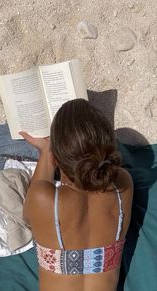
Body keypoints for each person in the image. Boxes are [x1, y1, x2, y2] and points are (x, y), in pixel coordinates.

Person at [19, 99, 133, 291]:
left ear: (56, 158)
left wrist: (46, 150)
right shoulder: (122, 186)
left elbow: (27, 217)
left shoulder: (43, 200)